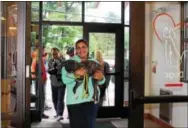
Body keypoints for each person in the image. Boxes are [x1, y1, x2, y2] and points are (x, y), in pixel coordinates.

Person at [61, 39, 105, 128]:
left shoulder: (94, 62)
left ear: (88, 48)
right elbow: (64, 79)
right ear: (76, 50)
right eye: (78, 48)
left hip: (92, 101)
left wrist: (101, 78)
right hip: (75, 102)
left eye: (83, 47)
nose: (81, 50)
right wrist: (75, 74)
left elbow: (101, 81)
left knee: (90, 126)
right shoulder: (69, 63)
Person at [31, 39, 49, 119]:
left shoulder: (39, 57)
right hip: (39, 80)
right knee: (40, 96)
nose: (44, 50)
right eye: (43, 49)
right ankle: (40, 113)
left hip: (41, 79)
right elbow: (33, 69)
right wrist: (37, 77)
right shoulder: (36, 58)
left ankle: (40, 112)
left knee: (41, 95)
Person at [48, 48, 66, 121]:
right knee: (54, 99)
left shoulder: (63, 60)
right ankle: (57, 112)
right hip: (53, 83)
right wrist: (54, 68)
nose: (54, 55)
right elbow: (50, 70)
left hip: (61, 83)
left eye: (55, 53)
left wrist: (59, 65)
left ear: (59, 53)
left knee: (60, 99)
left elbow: (64, 70)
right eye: (53, 54)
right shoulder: (50, 61)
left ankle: (60, 114)